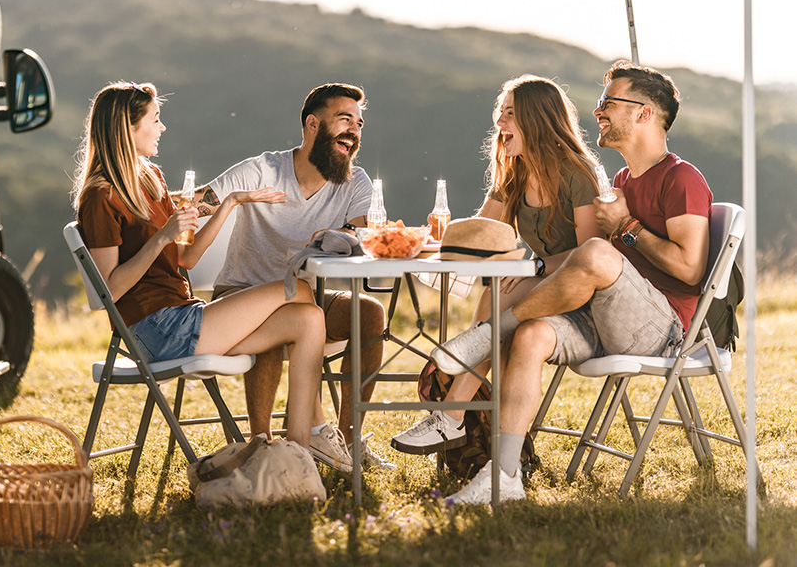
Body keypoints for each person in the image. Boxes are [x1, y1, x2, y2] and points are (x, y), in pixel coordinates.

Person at [428, 61, 713, 504]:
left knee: (597, 251)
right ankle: (504, 475)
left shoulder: (682, 178)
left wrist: (627, 227)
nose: (597, 111)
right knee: (531, 335)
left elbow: (691, 270)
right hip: (603, 319)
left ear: (644, 113)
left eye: (608, 102)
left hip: (663, 330)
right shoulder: (621, 181)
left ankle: (486, 337)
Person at [71, 81, 327, 448]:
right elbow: (108, 290)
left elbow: (186, 258)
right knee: (299, 290)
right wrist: (161, 236)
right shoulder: (101, 196)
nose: (162, 128)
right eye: (155, 120)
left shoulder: (150, 179)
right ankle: (299, 443)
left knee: (309, 318)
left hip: (184, 316)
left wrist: (230, 204)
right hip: (156, 330)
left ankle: (300, 448)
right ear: (128, 128)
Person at [391, 75, 604, 455]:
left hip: (579, 291)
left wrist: (535, 266)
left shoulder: (577, 173)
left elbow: (591, 251)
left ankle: (451, 417)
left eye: (509, 114)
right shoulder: (516, 171)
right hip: (534, 285)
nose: (499, 123)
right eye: (499, 113)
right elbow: (482, 235)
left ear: (536, 118)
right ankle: (454, 417)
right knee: (499, 290)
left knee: (501, 298)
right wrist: (426, 240)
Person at [188, 83, 392, 472]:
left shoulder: (356, 182)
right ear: (312, 124)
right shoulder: (261, 170)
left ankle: (346, 442)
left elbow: (362, 234)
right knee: (281, 317)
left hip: (307, 298)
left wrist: (340, 236)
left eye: (360, 124)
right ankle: (260, 445)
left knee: (368, 313)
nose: (354, 131)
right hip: (241, 296)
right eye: (344, 120)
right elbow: (193, 204)